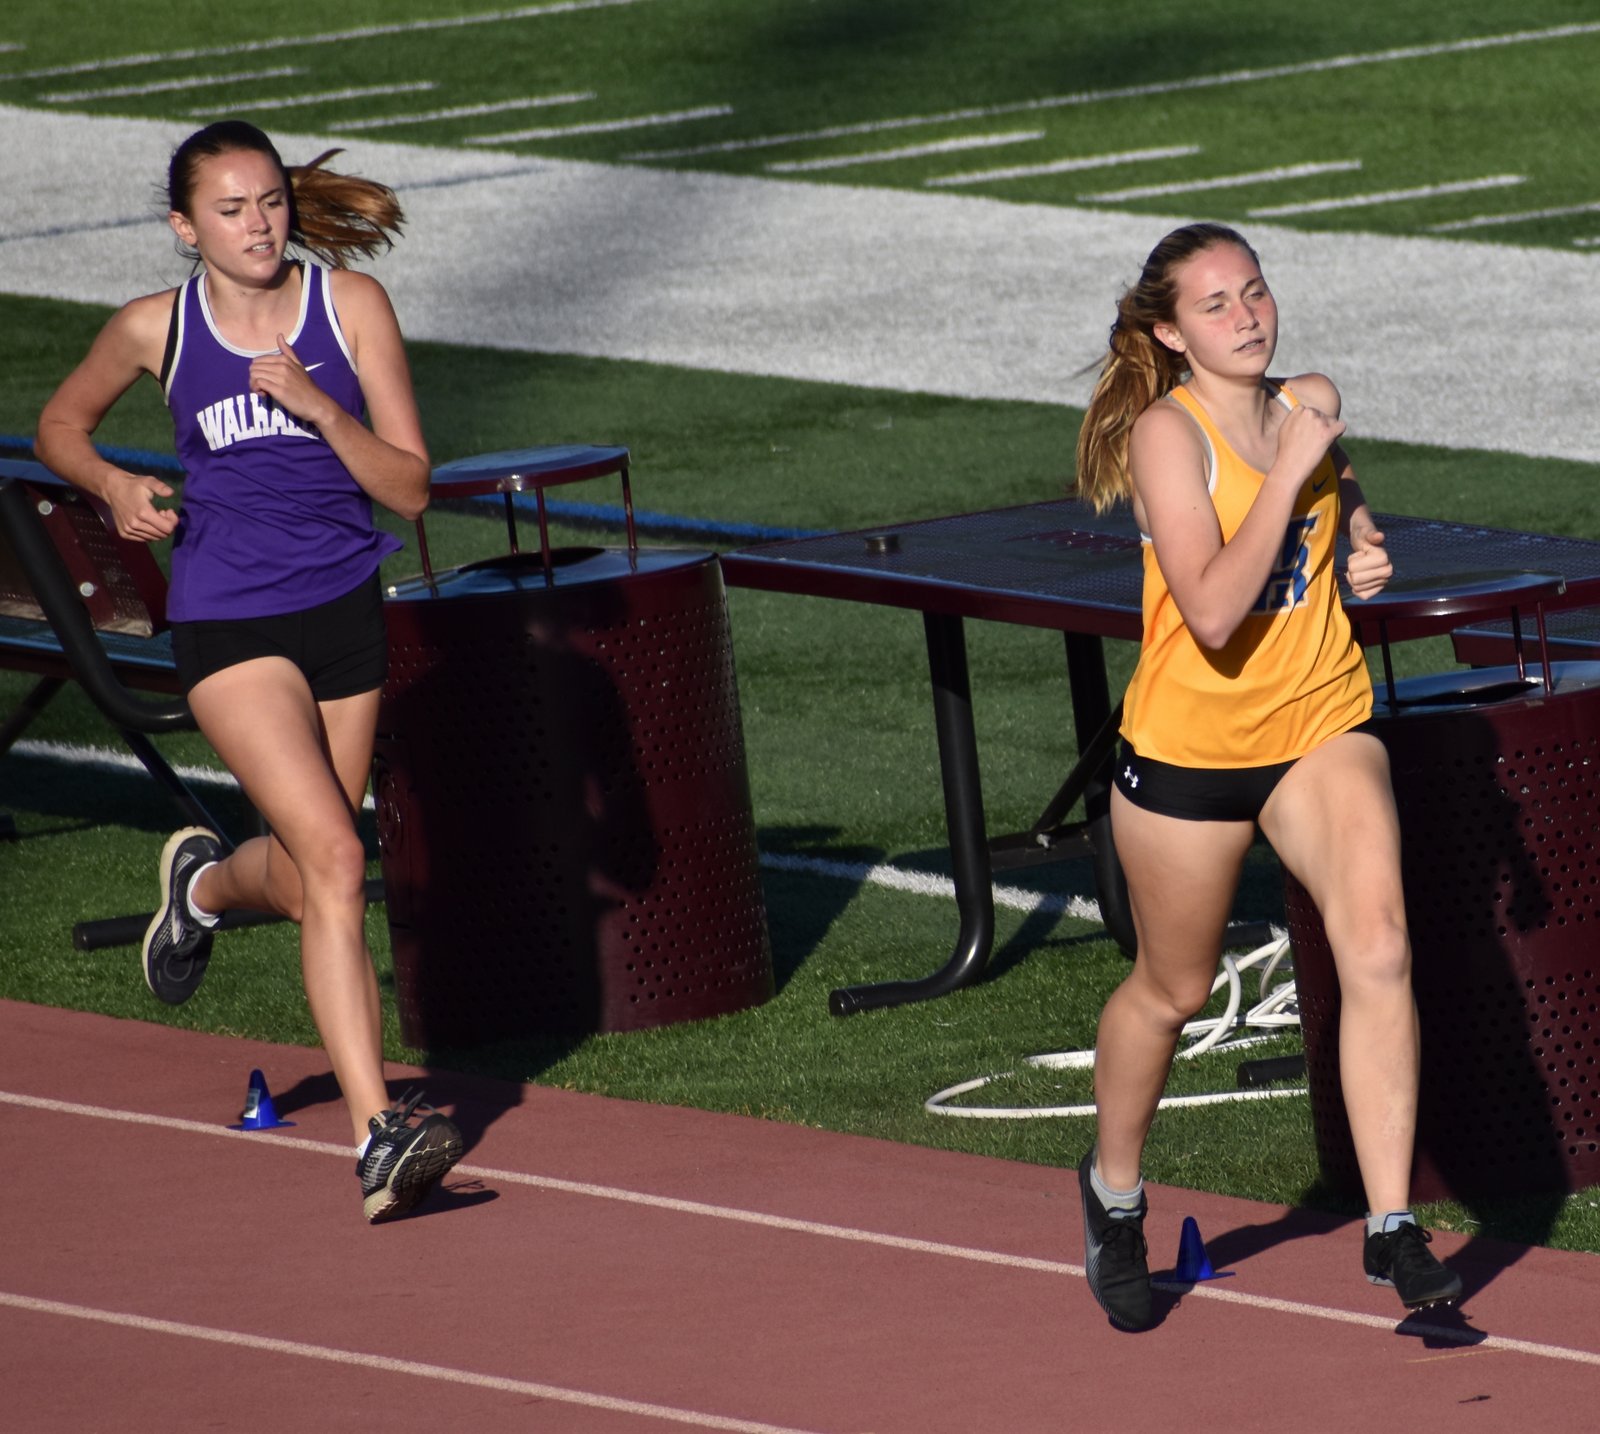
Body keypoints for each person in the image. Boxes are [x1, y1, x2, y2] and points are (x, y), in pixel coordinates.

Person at [36, 120, 462, 1223]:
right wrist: (112, 487)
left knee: (311, 878)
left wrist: (320, 407)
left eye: (270, 201)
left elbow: (411, 489)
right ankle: (379, 1134)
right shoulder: (157, 327)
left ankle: (202, 887)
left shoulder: (350, 308)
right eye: (230, 210)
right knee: (338, 853)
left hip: (343, 613)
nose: (258, 224)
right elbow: (59, 425)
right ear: (187, 228)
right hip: (228, 621)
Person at [1071, 222, 1461, 1330]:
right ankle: (1113, 1194)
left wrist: (1360, 535)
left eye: (1254, 291)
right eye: (1215, 304)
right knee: (1173, 991)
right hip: (1191, 751)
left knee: (1378, 946)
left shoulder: (1310, 402)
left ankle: (1391, 1227)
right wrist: (1288, 475)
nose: (1245, 317)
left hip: (1317, 721)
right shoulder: (1166, 436)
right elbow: (1207, 610)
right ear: (1169, 334)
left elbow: (1342, 487)